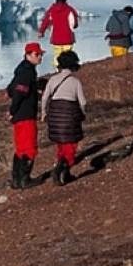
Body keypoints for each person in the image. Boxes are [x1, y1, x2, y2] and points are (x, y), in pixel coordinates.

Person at [40, 51, 87, 186]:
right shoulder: (75, 81)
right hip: (69, 115)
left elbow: (44, 98)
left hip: (54, 114)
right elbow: (82, 102)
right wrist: (82, 113)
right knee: (70, 145)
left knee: (61, 144)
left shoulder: (52, 80)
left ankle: (64, 171)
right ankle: (61, 169)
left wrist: (43, 113)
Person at [7, 42, 44, 189]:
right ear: (29, 55)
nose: (40, 57)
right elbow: (18, 92)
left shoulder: (21, 69)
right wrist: (12, 110)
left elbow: (11, 89)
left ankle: (17, 180)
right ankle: (24, 179)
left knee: (21, 148)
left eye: (40, 54)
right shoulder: (27, 72)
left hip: (20, 115)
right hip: (25, 114)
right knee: (29, 147)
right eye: (37, 54)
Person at [38, 0, 79, 64]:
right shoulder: (69, 9)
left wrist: (41, 31)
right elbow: (74, 23)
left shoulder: (52, 10)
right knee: (68, 56)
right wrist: (74, 26)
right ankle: (67, 70)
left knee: (57, 55)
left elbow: (46, 21)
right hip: (68, 38)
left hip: (56, 38)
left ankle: (58, 70)